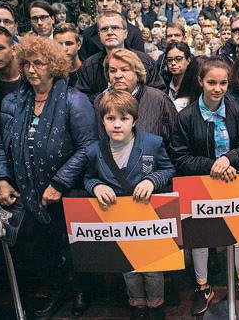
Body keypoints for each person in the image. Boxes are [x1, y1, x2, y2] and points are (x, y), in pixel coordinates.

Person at [0, 34, 97, 318]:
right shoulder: (13, 101)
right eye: (26, 63)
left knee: (71, 244)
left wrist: (59, 183)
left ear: (54, 66)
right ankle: (57, 286)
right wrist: (1, 178)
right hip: (26, 190)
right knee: (35, 246)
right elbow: (3, 146)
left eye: (38, 63)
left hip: (67, 190)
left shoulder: (74, 100)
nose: (31, 70)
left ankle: (80, 289)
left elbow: (88, 147)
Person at [169, 57, 239, 316]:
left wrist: (228, 159)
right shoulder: (186, 116)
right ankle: (203, 287)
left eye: (223, 83)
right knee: (201, 237)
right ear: (200, 81)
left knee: (237, 235)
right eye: (211, 82)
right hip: (199, 183)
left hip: (232, 180)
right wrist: (213, 165)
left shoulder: (235, 110)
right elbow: (180, 158)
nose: (217, 88)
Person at [84, 90, 175, 320]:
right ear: (102, 120)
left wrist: (151, 180)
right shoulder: (95, 151)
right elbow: (88, 177)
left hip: (147, 216)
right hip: (118, 219)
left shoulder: (152, 144)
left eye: (123, 118)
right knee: (128, 267)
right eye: (110, 118)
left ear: (134, 120)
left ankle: (156, 304)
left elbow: (168, 169)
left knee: (153, 267)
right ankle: (137, 303)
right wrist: (96, 186)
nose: (117, 124)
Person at [76, 11, 164, 101]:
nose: (110, 32)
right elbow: (81, 99)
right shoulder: (89, 66)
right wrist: (104, 99)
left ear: (125, 33)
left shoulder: (145, 62)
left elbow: (159, 96)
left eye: (115, 28)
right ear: (99, 35)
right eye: (104, 29)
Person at [97, 48, 177, 148]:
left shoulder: (158, 99)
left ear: (137, 73)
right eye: (112, 71)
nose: (117, 75)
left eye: (124, 70)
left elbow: (176, 141)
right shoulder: (101, 100)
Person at [79, 0, 145, 60]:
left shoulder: (134, 32)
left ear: (116, 2)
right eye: (101, 0)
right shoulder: (88, 33)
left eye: (109, 0)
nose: (105, 4)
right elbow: (85, 62)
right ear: (97, 3)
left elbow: (140, 61)